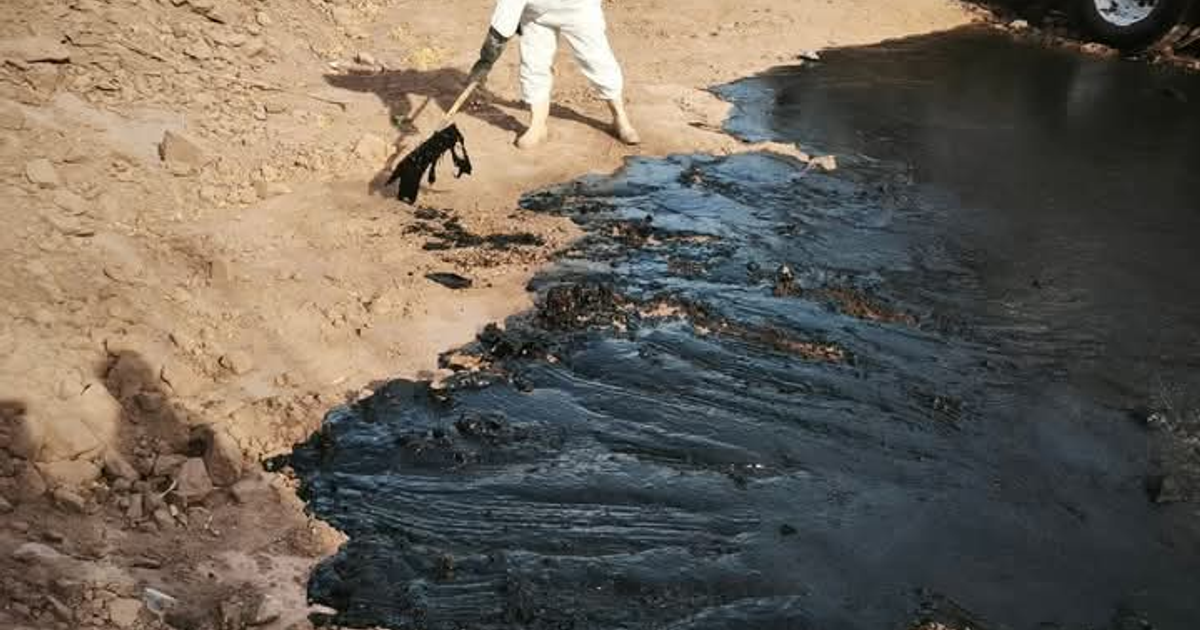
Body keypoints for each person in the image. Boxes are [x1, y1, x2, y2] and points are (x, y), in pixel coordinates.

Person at [468, 0, 641, 149]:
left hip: (579, 8)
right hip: (536, 15)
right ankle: (537, 125)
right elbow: (504, 19)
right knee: (533, 63)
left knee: (598, 61)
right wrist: (484, 63)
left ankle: (620, 119)